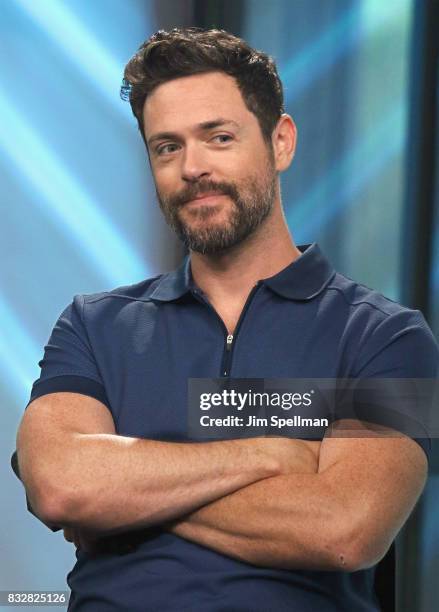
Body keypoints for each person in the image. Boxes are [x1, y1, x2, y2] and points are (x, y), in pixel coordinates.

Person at [12, 27, 439, 612]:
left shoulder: (391, 338)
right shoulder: (92, 325)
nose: (193, 168)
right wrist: (270, 453)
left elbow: (345, 530)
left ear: (281, 141)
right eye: (167, 147)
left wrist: (124, 494)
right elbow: (61, 484)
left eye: (218, 136)